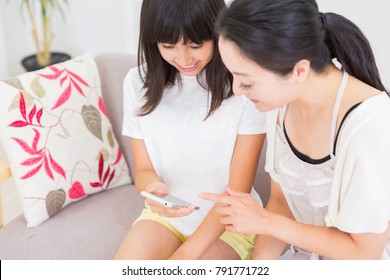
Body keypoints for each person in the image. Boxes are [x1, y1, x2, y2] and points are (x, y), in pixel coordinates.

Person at [201, 0, 390, 259]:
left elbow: (364, 253)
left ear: (298, 70)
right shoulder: (280, 102)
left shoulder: (369, 125)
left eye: (246, 80)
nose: (236, 90)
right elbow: (281, 203)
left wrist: (264, 221)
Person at [114, 0, 266, 260]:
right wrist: (152, 188)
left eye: (196, 45)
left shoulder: (244, 85)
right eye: (168, 45)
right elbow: (143, 170)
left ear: (219, 33)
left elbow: (237, 190)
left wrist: (185, 254)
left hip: (229, 221)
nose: (184, 59)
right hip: (167, 220)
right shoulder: (137, 83)